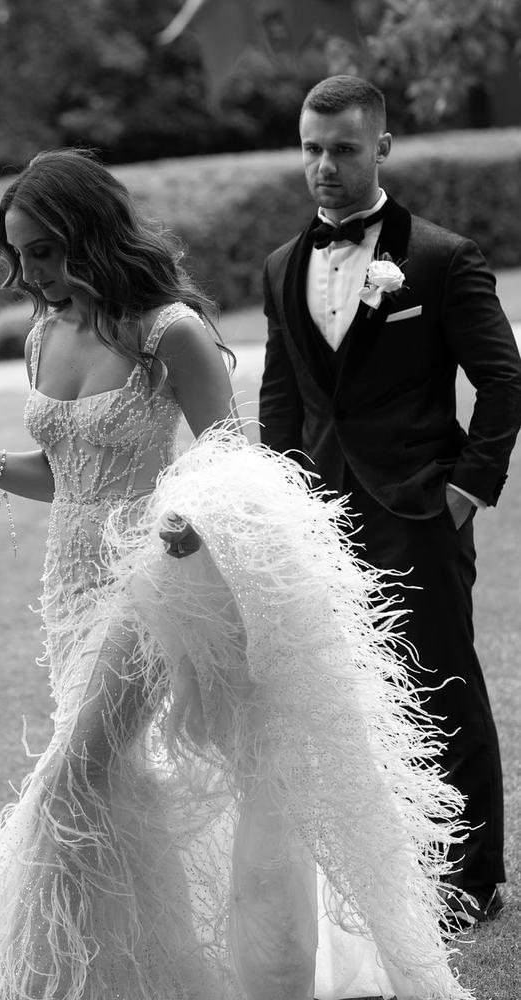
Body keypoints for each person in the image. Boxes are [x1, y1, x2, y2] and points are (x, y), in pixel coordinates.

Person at [0, 148, 474, 1000]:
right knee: (111, 785)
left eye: (45, 250)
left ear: (90, 235)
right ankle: (130, 976)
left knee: (68, 777)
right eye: (18, 254)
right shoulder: (45, 334)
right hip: (70, 588)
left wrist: (186, 525)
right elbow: (60, 477)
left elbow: (237, 471)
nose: (31, 272)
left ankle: (16, 979)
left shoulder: (172, 333)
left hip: (149, 583)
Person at [260, 74, 521, 931]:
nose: (323, 166)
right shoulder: (279, 268)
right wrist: (281, 504)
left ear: (381, 147)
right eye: (311, 148)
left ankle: (474, 878)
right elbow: (283, 399)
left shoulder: (442, 259)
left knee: (442, 688)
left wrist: (465, 488)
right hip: (322, 525)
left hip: (418, 512)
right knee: (352, 697)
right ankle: (392, 867)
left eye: (341, 148)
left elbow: (504, 381)